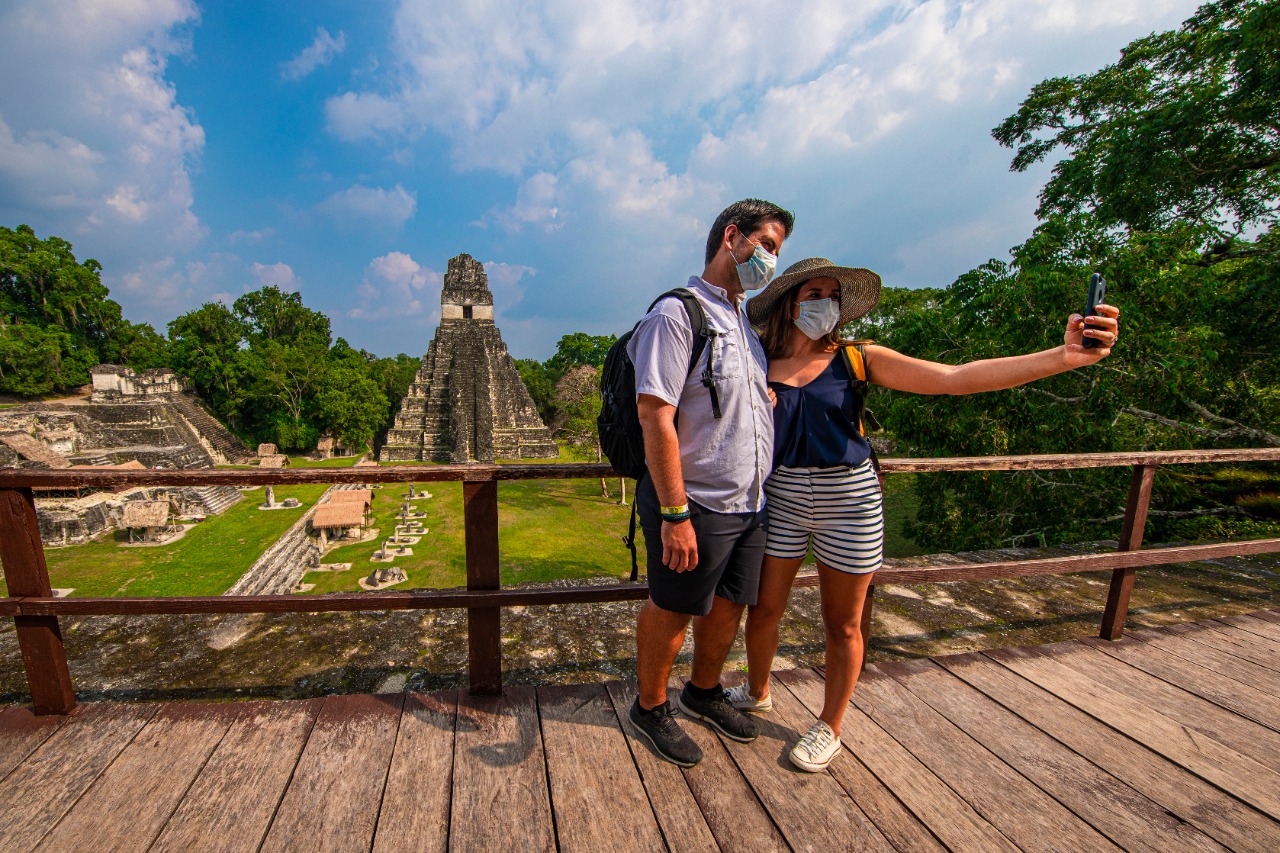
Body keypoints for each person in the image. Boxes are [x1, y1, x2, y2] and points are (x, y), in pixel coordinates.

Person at [728, 257, 1121, 772]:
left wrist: (1063, 357)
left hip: (850, 498)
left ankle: (830, 726)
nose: (825, 302)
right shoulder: (757, 360)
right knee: (764, 610)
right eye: (814, 292)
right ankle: (758, 691)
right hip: (782, 496)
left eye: (833, 295)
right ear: (787, 302)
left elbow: (956, 377)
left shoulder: (858, 358)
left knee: (842, 623)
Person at [625, 198, 795, 767]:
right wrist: (675, 514)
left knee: (729, 607)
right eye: (767, 245)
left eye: (777, 251)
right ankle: (650, 707)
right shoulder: (678, 315)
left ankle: (703, 691)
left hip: (748, 501)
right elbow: (655, 415)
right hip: (694, 501)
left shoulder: (743, 324)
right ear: (732, 237)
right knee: (673, 608)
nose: (771, 259)